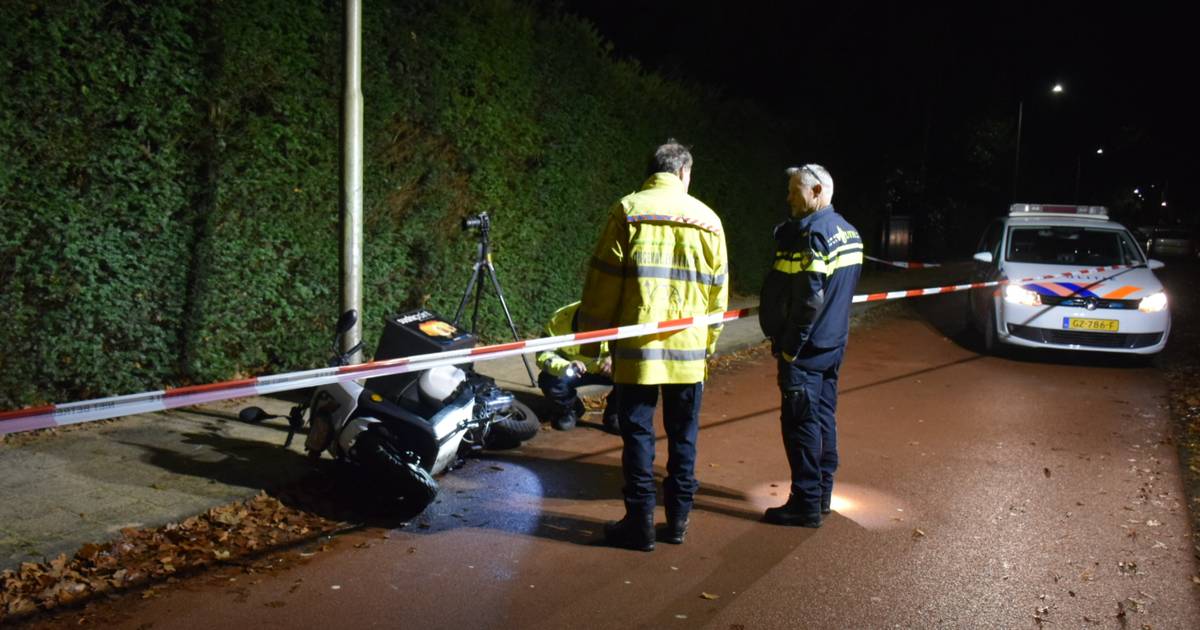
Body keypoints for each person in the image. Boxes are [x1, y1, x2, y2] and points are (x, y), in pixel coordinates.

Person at [578, 139, 728, 551]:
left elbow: (603, 280)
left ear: (654, 170)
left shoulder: (628, 210)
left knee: (638, 434)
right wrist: (708, 345)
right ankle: (678, 521)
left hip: (638, 349)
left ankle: (639, 524)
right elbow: (718, 295)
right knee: (684, 438)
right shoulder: (710, 220)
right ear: (684, 173)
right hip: (688, 352)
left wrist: (592, 343)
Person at [758, 163, 862, 528]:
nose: (787, 197)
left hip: (805, 350)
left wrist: (790, 348)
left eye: (793, 190)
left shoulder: (813, 237)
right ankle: (821, 496)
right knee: (822, 418)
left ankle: (804, 502)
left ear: (816, 192)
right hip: (832, 346)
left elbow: (809, 301)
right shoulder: (848, 232)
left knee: (800, 423)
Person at [535, 301, 619, 433]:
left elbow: (638, 348)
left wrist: (616, 358)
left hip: (613, 369)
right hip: (575, 370)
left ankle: (616, 414)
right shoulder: (559, 320)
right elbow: (544, 354)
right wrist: (565, 366)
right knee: (550, 381)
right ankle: (570, 409)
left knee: (638, 377)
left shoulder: (624, 317)